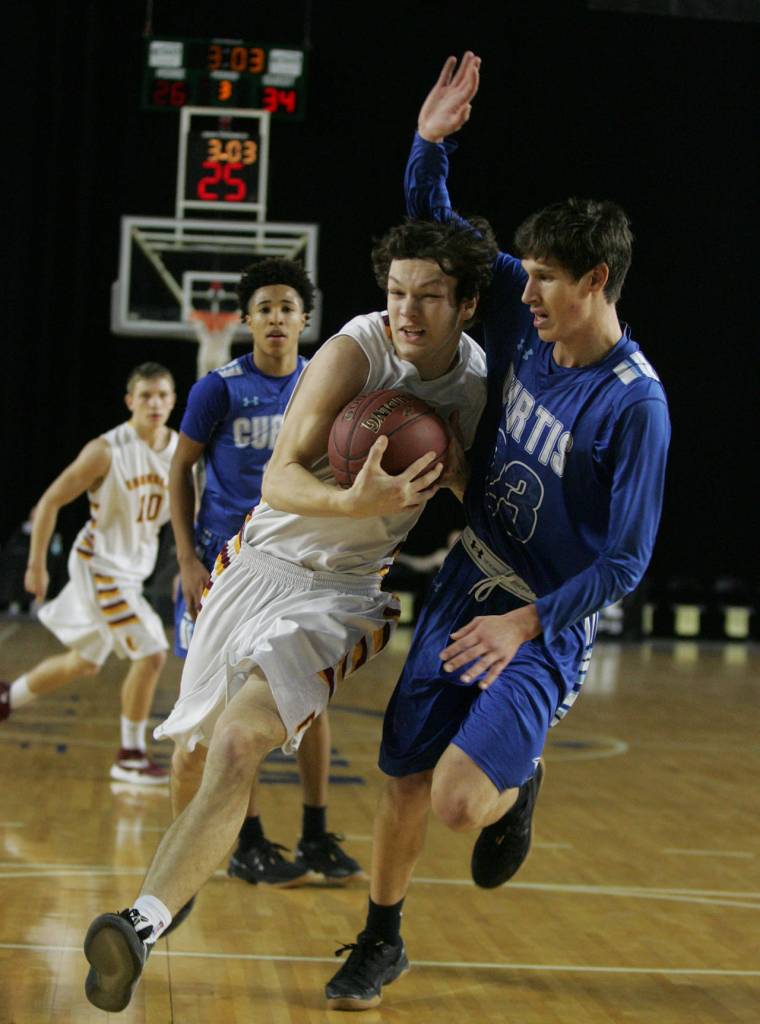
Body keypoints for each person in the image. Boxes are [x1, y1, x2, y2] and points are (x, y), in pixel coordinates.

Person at [324, 52, 671, 1010]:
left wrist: (527, 625)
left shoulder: (635, 407)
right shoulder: (529, 321)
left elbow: (628, 559)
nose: (524, 295)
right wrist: (428, 146)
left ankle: (522, 778)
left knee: (458, 803)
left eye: (548, 280)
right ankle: (382, 940)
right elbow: (443, 241)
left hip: (540, 620)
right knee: (400, 776)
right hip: (467, 577)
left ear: (596, 281)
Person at [82, 214, 495, 1013]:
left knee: (240, 742)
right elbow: (277, 482)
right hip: (255, 563)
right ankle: (178, 889)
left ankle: (139, 922)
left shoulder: (474, 389)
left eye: (430, 297)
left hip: (342, 592)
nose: (406, 312)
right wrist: (351, 497)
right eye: (395, 292)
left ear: (468, 304)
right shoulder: (355, 349)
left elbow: (484, 495)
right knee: (197, 755)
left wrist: (456, 480)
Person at [171, 257, 362, 894]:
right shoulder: (218, 388)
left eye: (287, 307)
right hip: (227, 571)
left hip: (300, 567)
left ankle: (314, 830)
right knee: (230, 710)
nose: (277, 318)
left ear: (305, 320)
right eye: (265, 308)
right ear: (247, 320)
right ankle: (247, 841)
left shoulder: (325, 387)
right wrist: (187, 560)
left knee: (311, 698)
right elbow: (180, 470)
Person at [0, 363, 178, 785]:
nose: (155, 403)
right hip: (100, 566)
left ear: (173, 401)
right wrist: (36, 563)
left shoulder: (179, 450)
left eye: (163, 395)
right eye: (146, 395)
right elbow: (48, 503)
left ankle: (8, 697)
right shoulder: (107, 450)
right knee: (152, 652)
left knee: (84, 663)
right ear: (130, 401)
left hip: (131, 570)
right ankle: (129, 755)